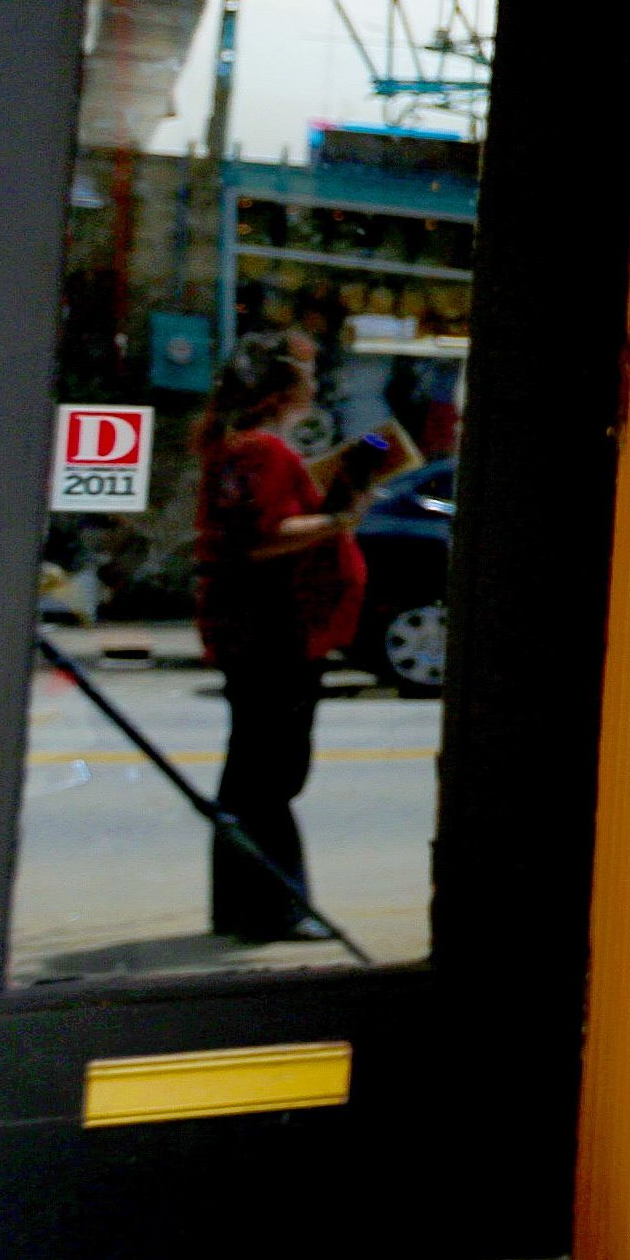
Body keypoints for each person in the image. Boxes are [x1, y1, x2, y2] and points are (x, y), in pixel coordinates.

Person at [187, 344, 392, 943]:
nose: (314, 389)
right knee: (272, 776)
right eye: (306, 380)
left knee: (251, 773)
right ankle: (275, 911)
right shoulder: (264, 451)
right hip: (278, 631)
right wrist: (338, 520)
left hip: (254, 630)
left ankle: (241, 909)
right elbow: (267, 535)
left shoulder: (237, 448)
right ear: (283, 394)